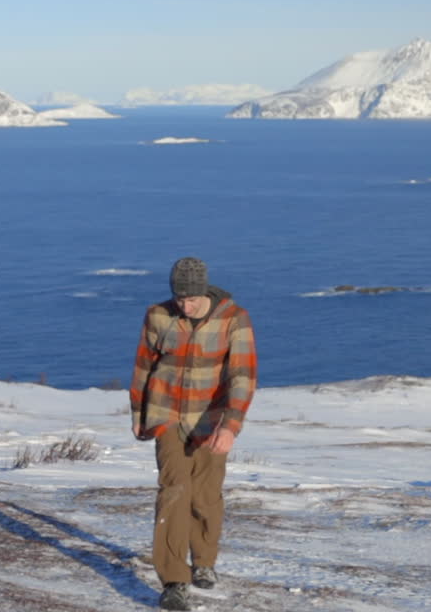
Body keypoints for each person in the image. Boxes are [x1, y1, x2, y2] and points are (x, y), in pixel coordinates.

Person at [130, 257, 258, 611]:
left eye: (191, 300)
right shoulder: (158, 315)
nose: (185, 306)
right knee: (174, 490)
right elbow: (143, 365)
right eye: (179, 299)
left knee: (204, 495)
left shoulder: (235, 318)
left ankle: (204, 560)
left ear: (205, 291)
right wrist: (138, 413)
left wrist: (231, 425)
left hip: (212, 418)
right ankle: (173, 580)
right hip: (166, 413)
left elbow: (243, 376)